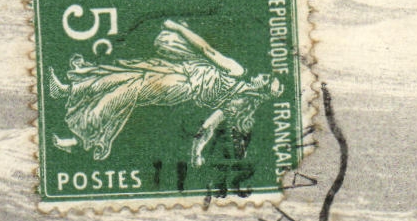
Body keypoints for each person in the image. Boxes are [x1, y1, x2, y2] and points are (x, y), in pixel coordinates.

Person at [48, 19, 282, 165]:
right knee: (124, 74)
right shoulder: (237, 101)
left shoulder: (238, 75)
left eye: (266, 79)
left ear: (261, 88)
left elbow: (207, 50)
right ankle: (69, 90)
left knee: (129, 89)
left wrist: (177, 28)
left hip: (179, 84)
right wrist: (196, 153)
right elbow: (207, 128)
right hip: (178, 71)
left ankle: (77, 135)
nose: (262, 75)